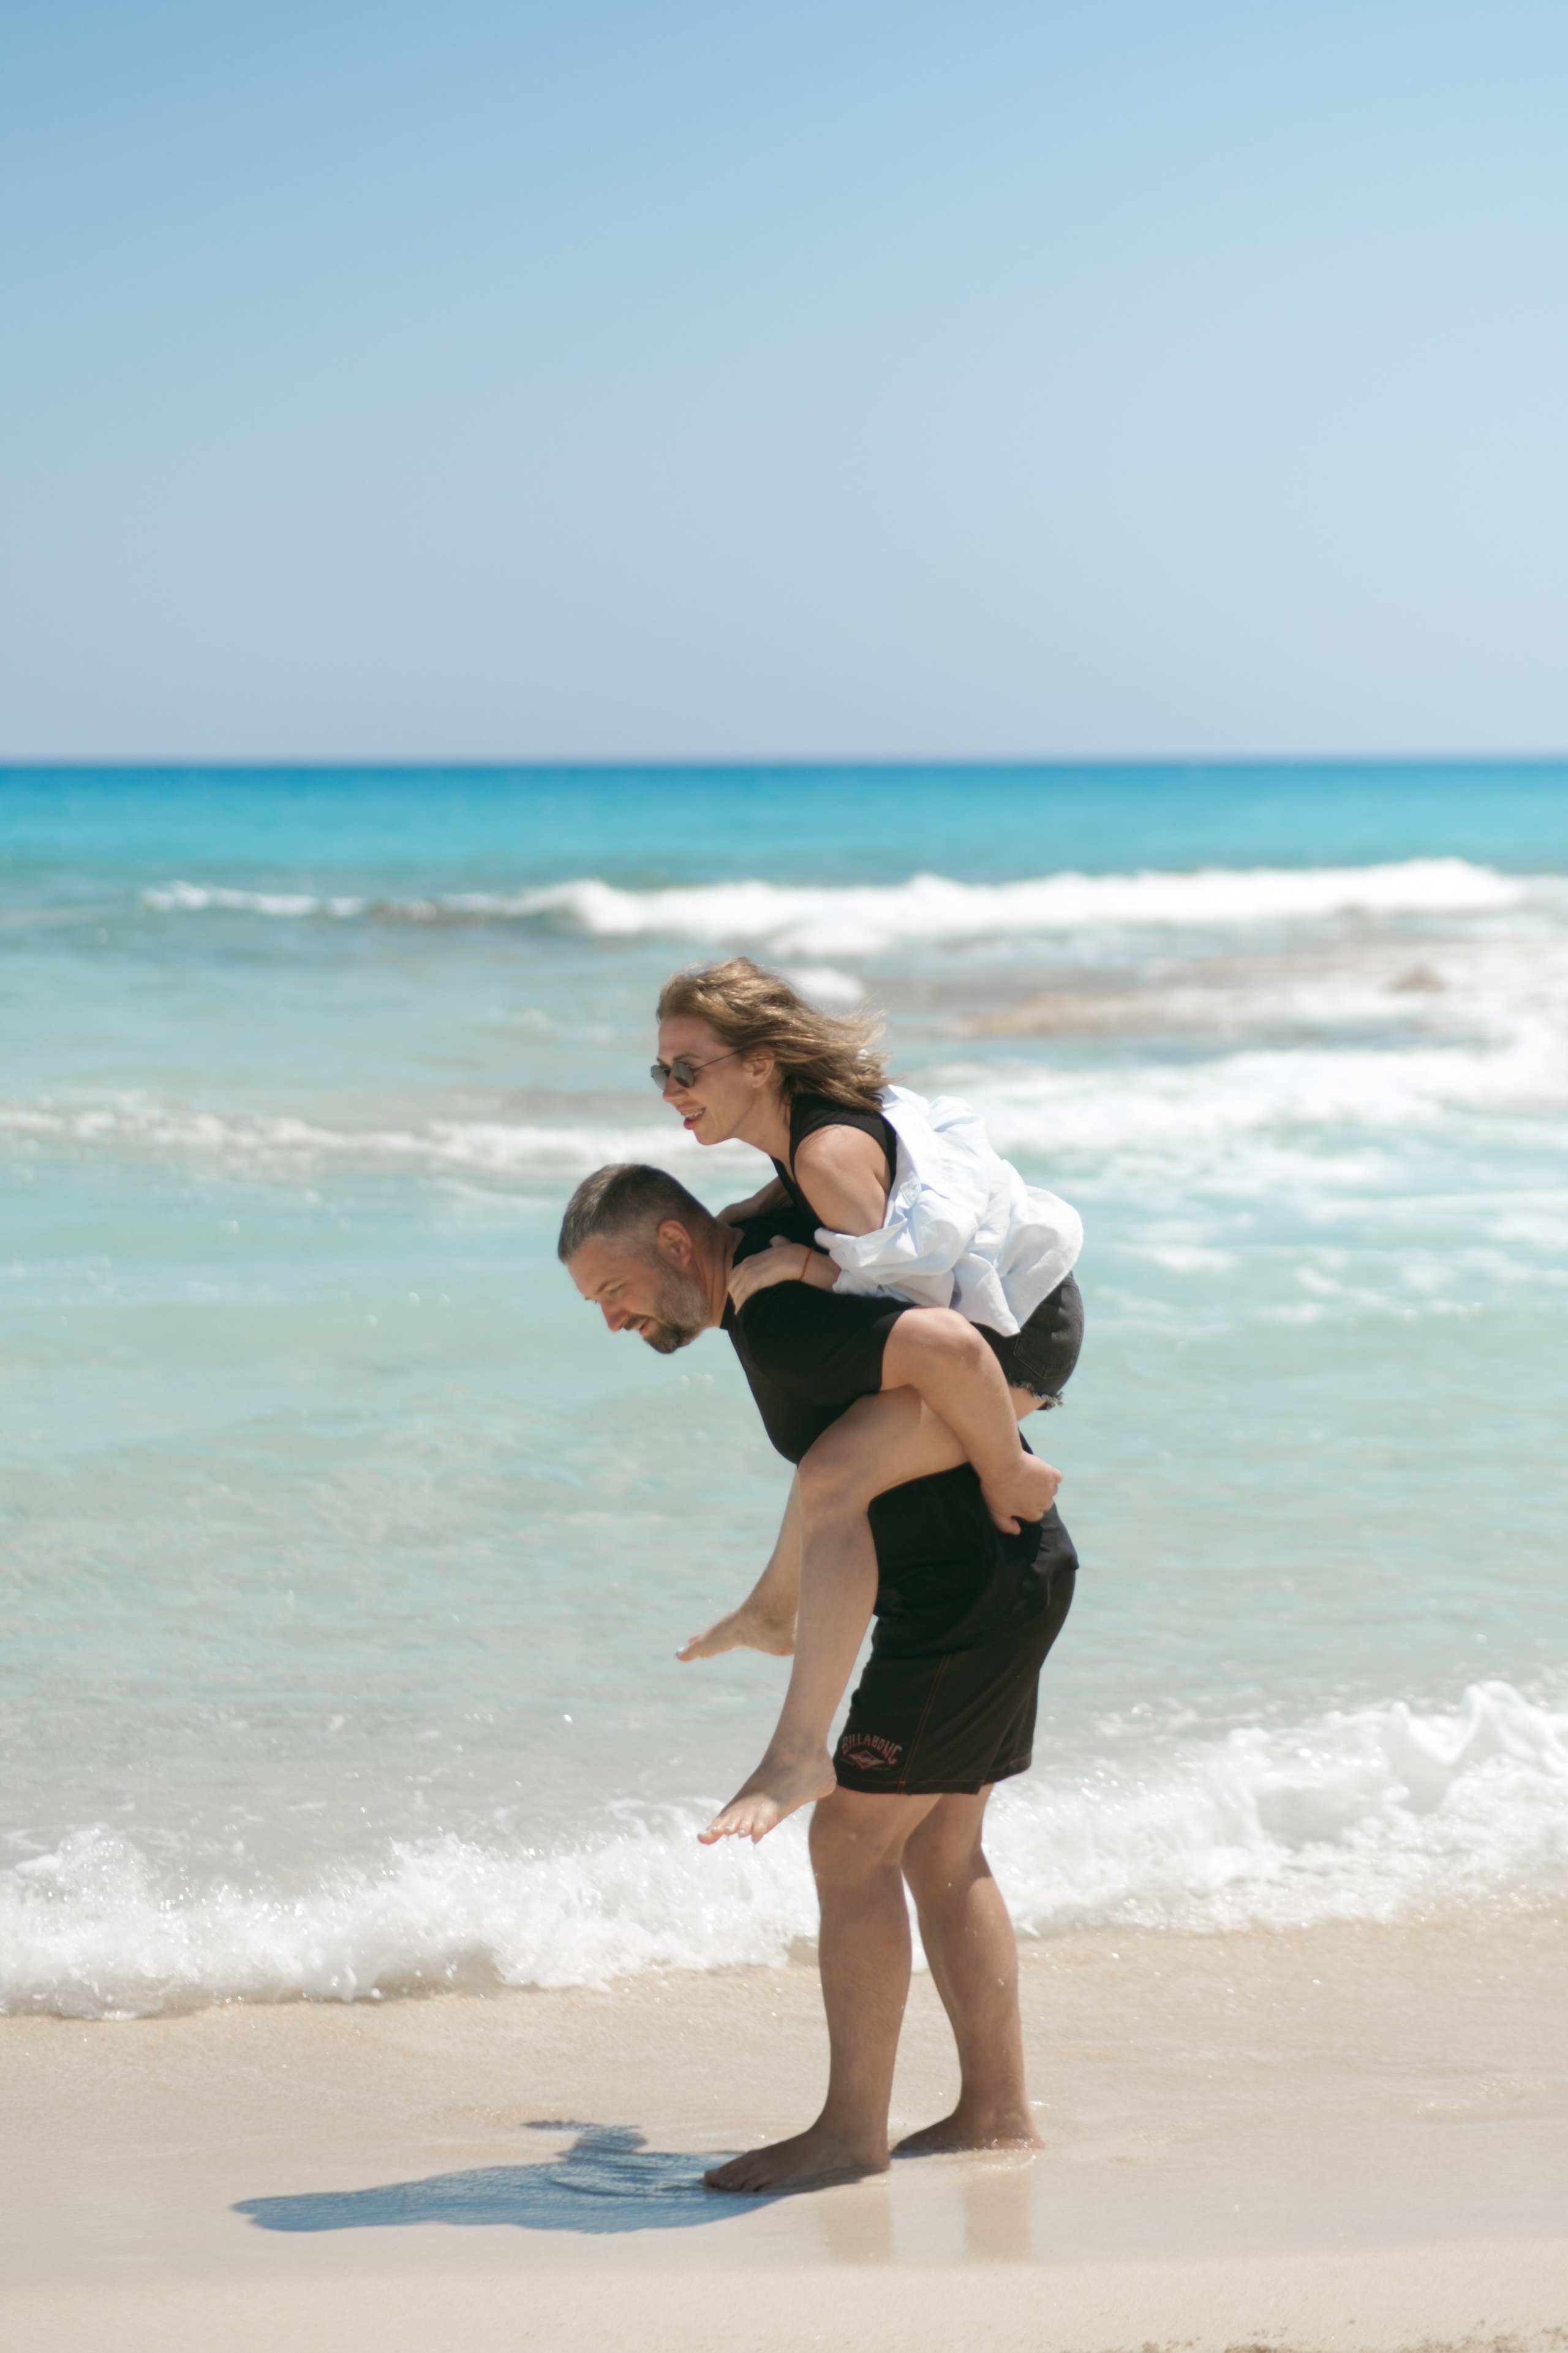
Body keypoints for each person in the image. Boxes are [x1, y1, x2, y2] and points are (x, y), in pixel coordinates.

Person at [559, 1161, 1078, 2192]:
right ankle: (995, 2111)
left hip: (962, 1595)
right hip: (1005, 1573)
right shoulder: (776, 1272)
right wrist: (773, 1601)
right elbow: (841, 1467)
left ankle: (850, 2133)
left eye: (610, 1290)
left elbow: (939, 1350)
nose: (610, 1320)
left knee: (851, 1838)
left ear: (672, 1244)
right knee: (938, 1844)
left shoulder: (781, 1312)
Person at [652, 957, 1082, 1844]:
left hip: (1016, 1335)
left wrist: (1004, 1464)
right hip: (996, 1308)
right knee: (830, 1455)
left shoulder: (825, 1155)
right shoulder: (795, 1141)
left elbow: (931, 1313)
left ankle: (799, 1750)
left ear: (762, 1061)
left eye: (688, 1069)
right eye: (661, 1073)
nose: (672, 1091)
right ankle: (777, 1605)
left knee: (838, 1473)